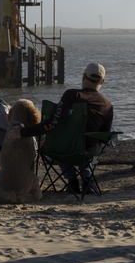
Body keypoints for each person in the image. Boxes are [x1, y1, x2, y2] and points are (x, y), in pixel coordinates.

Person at [13, 62, 114, 195]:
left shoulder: (72, 95)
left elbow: (53, 124)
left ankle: (72, 180)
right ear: (103, 81)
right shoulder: (108, 105)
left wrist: (23, 132)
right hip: (88, 153)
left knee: (62, 140)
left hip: (63, 150)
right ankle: (87, 179)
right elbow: (104, 135)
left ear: (83, 76)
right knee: (90, 142)